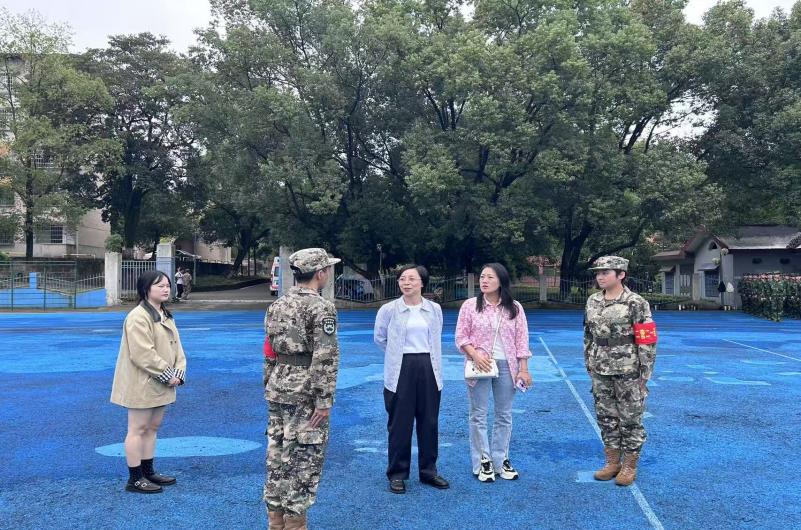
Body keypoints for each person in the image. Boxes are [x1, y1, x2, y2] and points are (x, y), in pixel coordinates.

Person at [263, 248, 341, 530]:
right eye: (327, 269)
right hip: (305, 391)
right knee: (303, 460)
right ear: (320, 273)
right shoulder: (321, 307)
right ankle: (295, 524)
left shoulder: (277, 305)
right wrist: (324, 399)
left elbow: (269, 350)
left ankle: (276, 523)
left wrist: (269, 382)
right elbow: (325, 356)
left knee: (277, 455)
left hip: (279, 384)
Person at [374, 265, 449, 494]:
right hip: (401, 369)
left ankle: (429, 471)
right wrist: (398, 354)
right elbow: (380, 338)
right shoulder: (389, 310)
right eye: (402, 279)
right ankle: (397, 473)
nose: (406, 283)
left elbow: (436, 336)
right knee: (400, 424)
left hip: (429, 367)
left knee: (429, 422)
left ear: (422, 283)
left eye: (412, 279)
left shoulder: (434, 309)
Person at [110, 270, 186, 494]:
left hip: (161, 381)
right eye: (160, 285)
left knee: (152, 427)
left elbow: (178, 349)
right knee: (138, 428)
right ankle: (135, 479)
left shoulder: (165, 314)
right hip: (142, 382)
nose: (166, 289)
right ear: (146, 289)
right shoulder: (138, 316)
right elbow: (142, 354)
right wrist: (168, 374)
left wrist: (179, 372)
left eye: (167, 285)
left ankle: (148, 471)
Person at [455, 263, 532, 483]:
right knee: (478, 414)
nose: (484, 281)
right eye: (482, 277)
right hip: (479, 365)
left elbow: (522, 340)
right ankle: (483, 461)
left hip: (507, 365)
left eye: (490, 277)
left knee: (504, 414)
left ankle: (501, 459)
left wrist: (523, 369)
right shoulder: (470, 306)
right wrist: (474, 355)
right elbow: (461, 336)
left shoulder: (514, 308)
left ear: (501, 281)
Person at [584, 256, 657, 486]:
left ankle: (629, 465)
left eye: (606, 272)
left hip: (628, 370)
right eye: (598, 273)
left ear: (621, 275)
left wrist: (645, 374)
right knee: (606, 417)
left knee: (630, 418)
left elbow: (647, 339)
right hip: (600, 369)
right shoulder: (593, 301)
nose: (600, 276)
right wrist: (589, 361)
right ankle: (612, 462)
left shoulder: (635, 302)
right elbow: (588, 335)